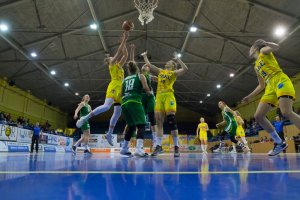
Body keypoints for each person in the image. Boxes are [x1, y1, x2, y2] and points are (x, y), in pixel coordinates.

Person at [243, 39, 300, 156]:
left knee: (286, 112)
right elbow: (261, 85)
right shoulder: (256, 66)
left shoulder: (263, 51)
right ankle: (279, 142)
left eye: (251, 47)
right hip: (270, 87)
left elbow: (276, 47)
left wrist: (266, 43)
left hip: (280, 80)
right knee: (258, 116)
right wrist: (249, 96)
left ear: (255, 48)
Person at [76, 32, 129, 146]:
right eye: (110, 57)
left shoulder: (119, 66)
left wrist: (123, 43)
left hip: (121, 88)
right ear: (109, 61)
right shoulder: (112, 65)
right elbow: (119, 52)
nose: (111, 57)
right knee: (106, 106)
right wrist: (124, 39)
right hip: (114, 86)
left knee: (117, 113)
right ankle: (85, 118)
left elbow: (125, 55)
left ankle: (109, 133)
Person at [142, 51, 188, 157]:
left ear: (173, 65)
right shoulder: (161, 71)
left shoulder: (174, 73)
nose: (167, 62)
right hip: (159, 97)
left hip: (168, 96)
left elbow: (185, 69)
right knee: (158, 122)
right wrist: (144, 56)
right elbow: (150, 65)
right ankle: (159, 146)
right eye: (167, 61)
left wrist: (178, 59)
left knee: (171, 120)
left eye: (170, 62)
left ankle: (176, 147)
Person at [129, 44, 158, 148]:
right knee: (141, 121)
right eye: (144, 65)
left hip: (150, 97)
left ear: (149, 68)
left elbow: (161, 80)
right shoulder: (138, 75)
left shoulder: (151, 76)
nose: (145, 66)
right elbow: (131, 63)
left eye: (147, 65)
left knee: (152, 117)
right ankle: (139, 143)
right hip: (141, 97)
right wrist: (132, 50)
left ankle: (155, 141)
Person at [120, 61, 151, 157]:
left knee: (131, 126)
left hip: (124, 103)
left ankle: (124, 149)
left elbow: (120, 94)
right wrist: (149, 93)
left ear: (128, 70)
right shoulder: (140, 76)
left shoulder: (125, 79)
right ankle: (138, 149)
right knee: (141, 125)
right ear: (137, 68)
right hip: (135, 102)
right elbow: (146, 88)